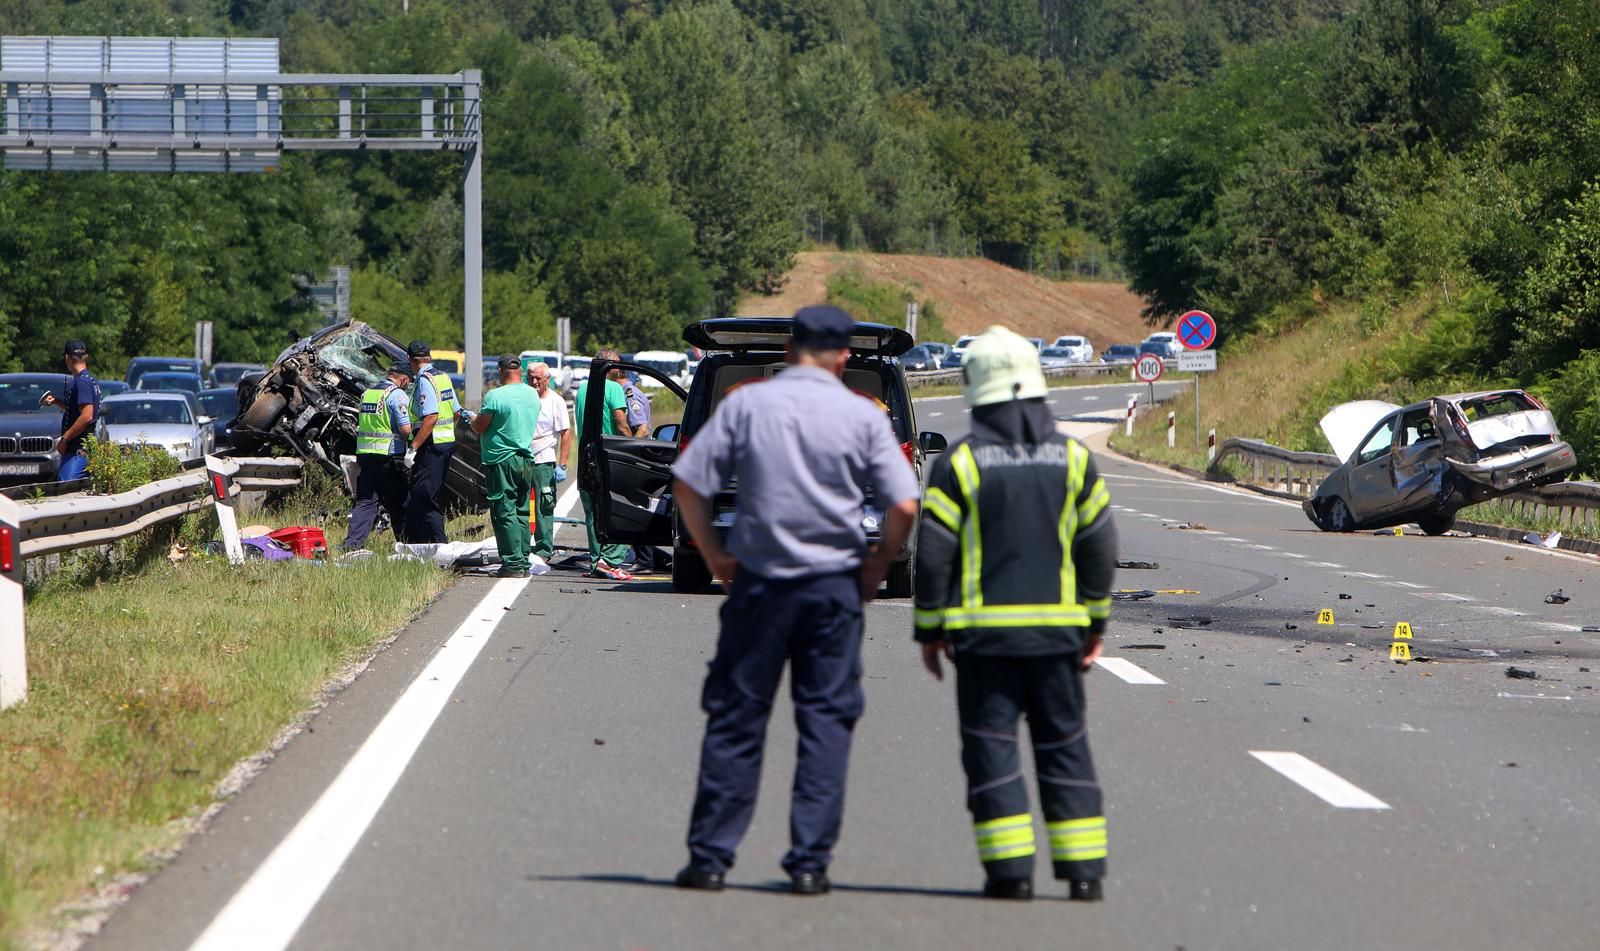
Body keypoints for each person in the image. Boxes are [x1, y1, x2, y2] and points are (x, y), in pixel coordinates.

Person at [670, 304, 919, 895]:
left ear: (789, 351)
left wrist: (716, 556)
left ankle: (710, 859)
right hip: (833, 587)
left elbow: (687, 482)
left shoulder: (747, 406)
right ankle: (809, 864)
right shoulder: (863, 415)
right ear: (842, 358)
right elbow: (904, 503)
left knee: (737, 716)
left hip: (760, 582)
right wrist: (876, 565)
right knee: (825, 721)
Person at [911, 325, 1118, 903]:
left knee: (991, 748)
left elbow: (933, 556)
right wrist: (1094, 625)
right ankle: (1084, 875)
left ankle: (1011, 876)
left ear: (976, 393)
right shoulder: (1074, 461)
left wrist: (929, 630)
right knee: (1065, 745)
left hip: (984, 645)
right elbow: (1100, 547)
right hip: (1058, 639)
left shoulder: (961, 464)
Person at [472, 355, 543, 576]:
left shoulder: (495, 396)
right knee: (522, 510)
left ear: (501, 370)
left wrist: (471, 418)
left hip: (502, 460)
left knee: (504, 511)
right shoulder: (533, 394)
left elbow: (481, 426)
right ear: (520, 370)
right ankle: (522, 561)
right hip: (526, 458)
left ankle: (512, 564)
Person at [574, 348, 633, 579]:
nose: (619, 368)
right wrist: (632, 443)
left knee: (592, 512)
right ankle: (610, 560)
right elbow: (620, 422)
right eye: (616, 364)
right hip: (608, 456)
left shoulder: (582, 388)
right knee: (617, 508)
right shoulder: (615, 388)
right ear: (608, 366)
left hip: (585, 455)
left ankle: (596, 559)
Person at [343, 362, 413, 551]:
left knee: (366, 502)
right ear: (403, 379)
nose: (408, 385)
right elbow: (406, 429)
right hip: (388, 456)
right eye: (409, 382)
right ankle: (407, 544)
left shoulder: (368, 393)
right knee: (398, 501)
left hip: (366, 455)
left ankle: (351, 545)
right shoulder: (397, 394)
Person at [404, 340, 460, 544]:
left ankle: (438, 543)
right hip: (445, 444)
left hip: (432, 445)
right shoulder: (443, 377)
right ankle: (414, 541)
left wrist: (413, 448)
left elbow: (431, 417)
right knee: (424, 492)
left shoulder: (424, 381)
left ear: (410, 360)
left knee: (425, 495)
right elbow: (456, 412)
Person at [528, 361, 572, 563]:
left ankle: (544, 549)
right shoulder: (525, 398)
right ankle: (521, 546)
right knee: (520, 503)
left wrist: (562, 464)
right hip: (523, 458)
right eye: (531, 377)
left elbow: (566, 433)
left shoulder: (556, 401)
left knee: (543, 506)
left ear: (547, 379)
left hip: (544, 459)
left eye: (538, 378)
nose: (534, 381)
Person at [40, 339, 100, 481]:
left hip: (77, 449)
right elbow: (76, 410)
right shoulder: (89, 379)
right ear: (86, 356)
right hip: (81, 447)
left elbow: (86, 416)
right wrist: (56, 401)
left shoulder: (82, 382)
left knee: (66, 488)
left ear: (67, 358)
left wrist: (65, 439)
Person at [624, 371, 653, 438]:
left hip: (639, 446)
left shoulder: (630, 394)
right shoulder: (626, 391)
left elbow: (643, 430)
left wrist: (630, 447)